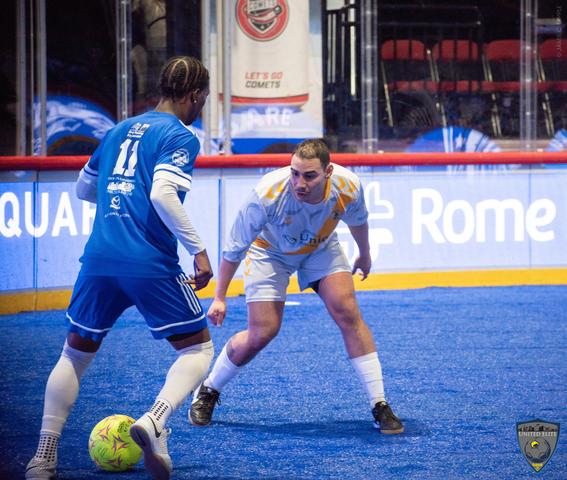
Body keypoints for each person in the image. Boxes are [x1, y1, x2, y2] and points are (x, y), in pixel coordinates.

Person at [26, 56, 213, 480]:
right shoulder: (179, 135)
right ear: (193, 95)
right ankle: (155, 420)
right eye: (202, 99)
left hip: (99, 259)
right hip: (148, 260)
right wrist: (199, 250)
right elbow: (163, 194)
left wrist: (121, 200)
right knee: (198, 349)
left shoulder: (117, 130)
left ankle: (43, 457)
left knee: (74, 354)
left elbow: (84, 188)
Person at [190, 139, 404, 435]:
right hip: (269, 253)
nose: (299, 183)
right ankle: (209, 388)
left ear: (328, 172)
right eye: (294, 173)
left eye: (309, 176)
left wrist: (364, 254)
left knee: (347, 312)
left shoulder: (348, 186)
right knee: (262, 333)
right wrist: (219, 297)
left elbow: (358, 221)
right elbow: (234, 249)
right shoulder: (266, 193)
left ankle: (379, 404)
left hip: (320, 248)